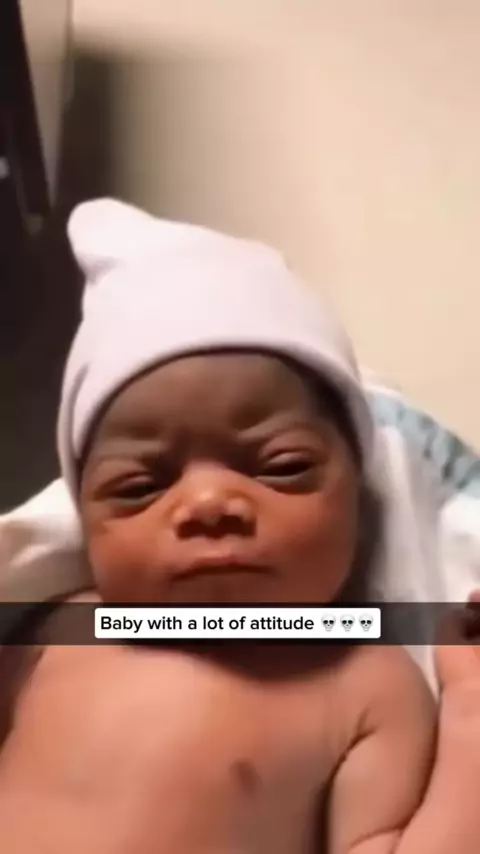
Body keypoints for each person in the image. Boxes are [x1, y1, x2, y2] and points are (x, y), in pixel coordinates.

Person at [0, 198, 479, 853]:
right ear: (85, 518)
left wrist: (470, 712)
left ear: (359, 495)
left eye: (282, 467)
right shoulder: (61, 629)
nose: (208, 502)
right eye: (141, 486)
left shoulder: (366, 679)